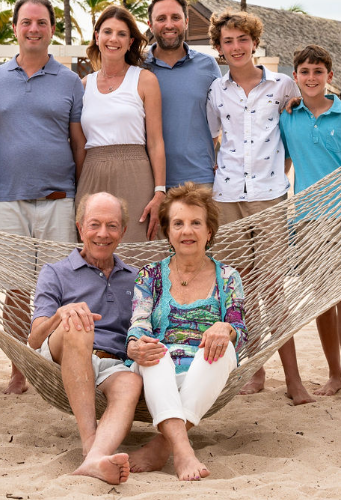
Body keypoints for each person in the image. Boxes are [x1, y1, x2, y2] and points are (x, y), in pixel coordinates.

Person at [0, 0, 87, 395]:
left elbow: (78, 143)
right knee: (17, 290)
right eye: (26, 22)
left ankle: (56, 368)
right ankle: (20, 368)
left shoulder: (70, 81)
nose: (33, 29)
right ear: (15, 28)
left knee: (61, 291)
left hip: (60, 200)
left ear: (53, 29)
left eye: (41, 23)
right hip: (7, 200)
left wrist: (79, 194)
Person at [205, 8, 312, 404]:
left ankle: (294, 378)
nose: (236, 47)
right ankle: (254, 368)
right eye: (228, 41)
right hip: (227, 196)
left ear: (254, 43)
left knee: (273, 287)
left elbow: (296, 129)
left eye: (242, 40)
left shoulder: (283, 86)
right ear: (219, 47)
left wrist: (278, 171)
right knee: (238, 287)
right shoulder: (216, 91)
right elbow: (215, 137)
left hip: (269, 196)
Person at [127, 183, 246, 481]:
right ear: (168, 232)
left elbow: (239, 328)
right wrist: (136, 342)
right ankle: (182, 451)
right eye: (178, 224)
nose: (187, 231)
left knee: (221, 348)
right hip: (159, 370)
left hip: (205, 368)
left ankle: (163, 446)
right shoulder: (150, 274)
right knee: (154, 352)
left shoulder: (229, 277)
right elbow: (139, 321)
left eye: (196, 223)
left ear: (209, 232)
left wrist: (226, 327)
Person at [29, 192, 143, 485]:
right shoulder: (55, 272)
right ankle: (90, 443)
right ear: (80, 227)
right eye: (94, 225)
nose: (102, 234)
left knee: (132, 382)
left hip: (112, 363)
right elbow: (34, 339)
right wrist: (62, 315)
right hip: (62, 355)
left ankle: (96, 460)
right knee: (78, 324)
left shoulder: (136, 278)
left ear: (123, 232)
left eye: (112, 226)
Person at [279, 45, 341, 403]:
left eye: (318, 71)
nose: (312, 78)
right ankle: (333, 373)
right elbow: (284, 161)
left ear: (329, 76)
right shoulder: (288, 115)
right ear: (295, 77)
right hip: (305, 218)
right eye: (305, 72)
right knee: (320, 301)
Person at [78, 5, 167, 242]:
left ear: (130, 42)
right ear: (97, 37)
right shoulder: (83, 85)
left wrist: (159, 192)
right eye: (107, 32)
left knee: (136, 250)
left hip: (135, 173)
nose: (113, 39)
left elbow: (156, 142)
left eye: (121, 34)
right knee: (93, 250)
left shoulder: (145, 80)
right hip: (92, 174)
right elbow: (78, 144)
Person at [144, 0, 221, 191]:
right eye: (161, 19)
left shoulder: (208, 65)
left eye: (175, 17)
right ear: (151, 25)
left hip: (200, 180)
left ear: (186, 22)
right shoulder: (137, 66)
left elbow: (223, 117)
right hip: (149, 182)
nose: (169, 24)